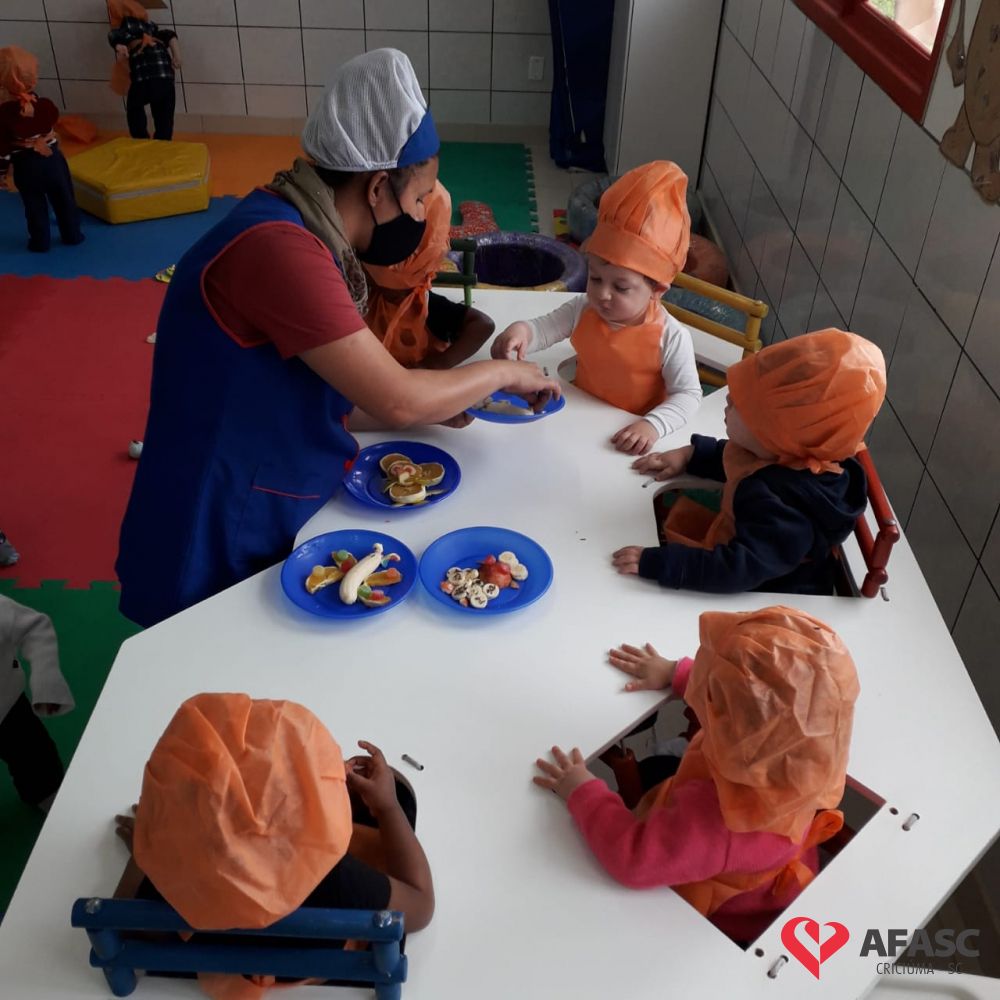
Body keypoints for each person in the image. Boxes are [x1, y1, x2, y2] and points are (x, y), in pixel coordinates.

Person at [115, 48, 558, 629]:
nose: (421, 215)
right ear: (377, 187)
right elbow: (396, 398)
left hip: (264, 487)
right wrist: (505, 373)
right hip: (217, 511)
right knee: (206, 659)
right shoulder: (282, 250)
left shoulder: (303, 232)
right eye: (419, 198)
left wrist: (446, 399)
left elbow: (336, 396)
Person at [534, 606, 859, 943]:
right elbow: (763, 702)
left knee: (652, 770)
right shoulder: (811, 749)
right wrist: (675, 672)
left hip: (723, 909)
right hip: (758, 853)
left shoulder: (719, 822)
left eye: (712, 691)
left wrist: (583, 791)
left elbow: (632, 859)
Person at [112, 693, 432, 998]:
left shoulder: (188, 876)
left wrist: (153, 844)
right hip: (325, 960)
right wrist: (387, 807)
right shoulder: (337, 878)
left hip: (229, 964)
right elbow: (421, 906)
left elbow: (126, 921)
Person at [613, 329, 886, 595]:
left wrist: (666, 564)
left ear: (773, 433)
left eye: (739, 403)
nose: (728, 398)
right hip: (744, 556)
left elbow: (736, 569)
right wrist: (691, 455)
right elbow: (741, 458)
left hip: (765, 593)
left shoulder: (782, 507)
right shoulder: (787, 452)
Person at [490, 161, 701, 455]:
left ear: (657, 291)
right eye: (596, 278)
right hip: (579, 416)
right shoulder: (583, 308)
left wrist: (652, 425)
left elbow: (688, 394)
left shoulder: (671, 337)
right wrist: (521, 332)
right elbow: (545, 328)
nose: (602, 294)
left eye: (621, 288)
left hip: (626, 434)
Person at [364, 180, 494, 368]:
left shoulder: (425, 307)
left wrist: (440, 363)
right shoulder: (364, 298)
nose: (382, 289)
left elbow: (484, 325)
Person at [0, 46, 84, 253]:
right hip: (53, 160)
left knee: (34, 205)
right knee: (64, 199)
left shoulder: (4, 115)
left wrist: (1, 174)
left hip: (27, 166)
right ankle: (72, 235)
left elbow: (3, 149)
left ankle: (40, 242)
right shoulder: (45, 105)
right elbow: (50, 122)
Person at [0, 594, 74, 812]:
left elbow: (34, 628)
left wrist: (45, 676)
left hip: (7, 707)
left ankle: (47, 794)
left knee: (35, 759)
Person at [106, 1, 180, 142]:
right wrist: (177, 56)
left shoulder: (125, 28)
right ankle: (163, 140)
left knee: (134, 108)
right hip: (165, 76)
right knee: (164, 113)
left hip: (144, 77)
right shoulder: (152, 29)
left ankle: (140, 138)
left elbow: (114, 36)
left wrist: (119, 46)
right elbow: (170, 35)